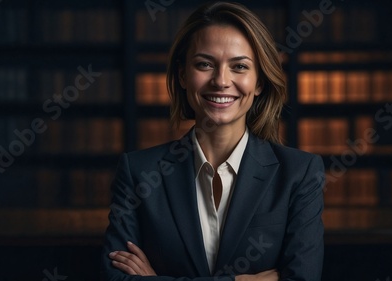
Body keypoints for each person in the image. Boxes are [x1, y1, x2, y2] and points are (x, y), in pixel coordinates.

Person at [100, 2, 325, 280]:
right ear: (183, 75)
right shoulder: (138, 172)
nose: (221, 81)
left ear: (259, 83)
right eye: (204, 64)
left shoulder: (300, 173)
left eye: (239, 66)